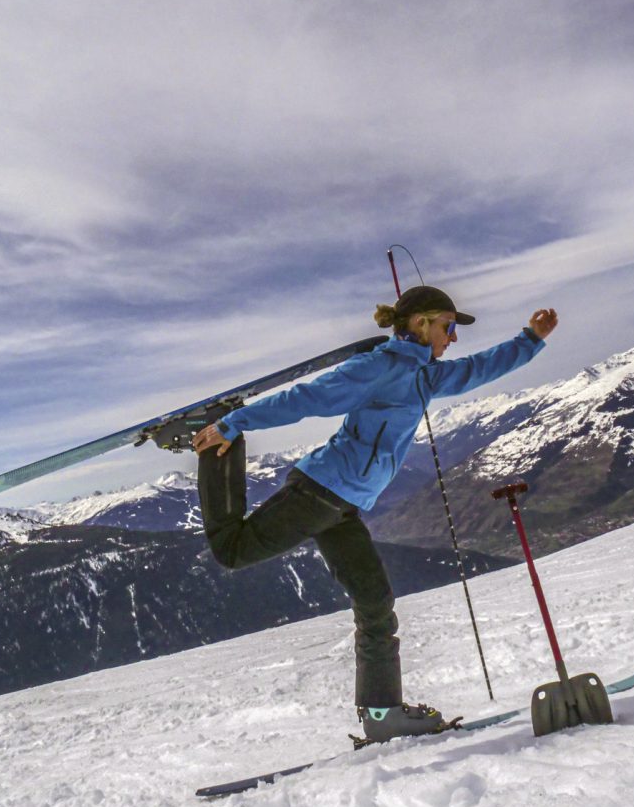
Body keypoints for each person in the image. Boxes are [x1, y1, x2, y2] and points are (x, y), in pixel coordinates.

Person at [192, 286, 557, 742]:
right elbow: (308, 398)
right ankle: (213, 447)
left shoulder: (425, 376)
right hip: (319, 491)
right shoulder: (379, 367)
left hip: (343, 507)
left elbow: (479, 369)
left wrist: (530, 339)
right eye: (448, 326)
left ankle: (383, 715)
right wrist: (234, 423)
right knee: (232, 551)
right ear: (420, 323)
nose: (452, 337)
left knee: (376, 603)